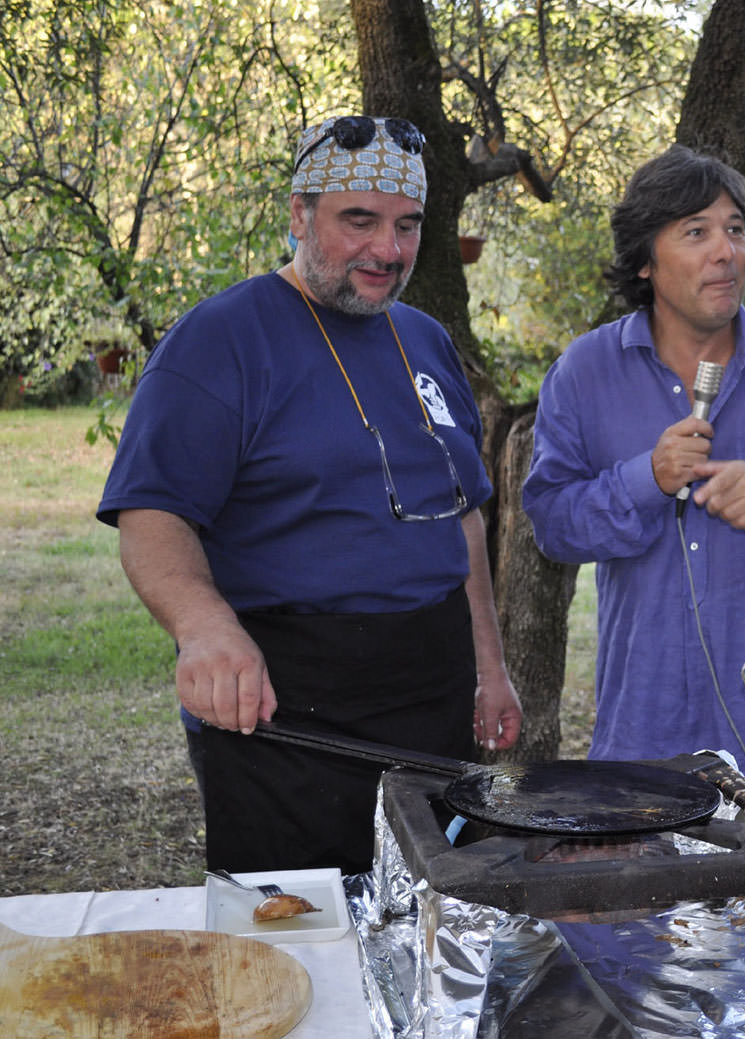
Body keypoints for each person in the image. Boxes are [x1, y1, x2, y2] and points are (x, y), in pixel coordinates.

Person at [98, 115, 522, 874]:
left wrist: (489, 666)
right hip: (289, 712)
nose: (387, 251)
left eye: (406, 225)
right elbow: (151, 515)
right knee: (299, 943)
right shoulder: (220, 339)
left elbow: (462, 518)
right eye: (358, 221)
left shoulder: (426, 340)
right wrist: (204, 627)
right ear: (299, 214)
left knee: (435, 919)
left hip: (434, 696)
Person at [522, 145, 745, 826]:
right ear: (646, 261)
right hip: (645, 737)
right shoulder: (585, 372)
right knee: (644, 928)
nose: (726, 251)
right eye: (697, 231)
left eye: (736, 229)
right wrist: (644, 478)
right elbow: (553, 524)